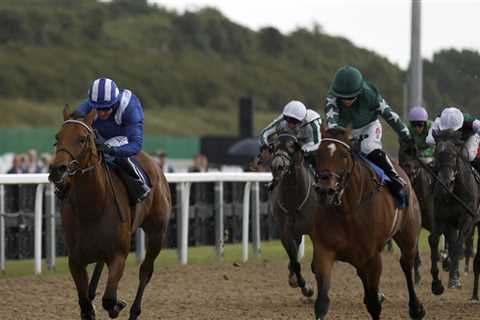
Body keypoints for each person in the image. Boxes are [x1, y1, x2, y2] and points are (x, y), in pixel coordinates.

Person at [325, 65, 413, 206]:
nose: (347, 101)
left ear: (359, 92)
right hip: (344, 131)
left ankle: (395, 179)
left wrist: (407, 137)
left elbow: (390, 116)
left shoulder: (370, 95)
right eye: (343, 98)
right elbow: (332, 124)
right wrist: (349, 139)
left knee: (368, 147)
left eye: (351, 97)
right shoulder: (332, 97)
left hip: (369, 127)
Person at [75, 77, 150, 203]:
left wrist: (112, 149)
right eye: (98, 109)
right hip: (98, 134)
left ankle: (138, 184)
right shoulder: (90, 104)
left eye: (106, 108)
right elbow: (73, 124)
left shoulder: (129, 108)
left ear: (115, 102)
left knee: (111, 155)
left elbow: (136, 145)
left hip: (122, 137)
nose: (102, 113)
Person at [259, 100, 321, 190]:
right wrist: (267, 147)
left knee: (315, 157)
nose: (290, 124)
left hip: (312, 143)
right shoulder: (282, 121)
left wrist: (303, 149)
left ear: (302, 120)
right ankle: (275, 180)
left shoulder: (313, 123)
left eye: (294, 122)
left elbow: (317, 143)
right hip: (294, 140)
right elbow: (264, 134)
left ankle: (320, 180)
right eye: (288, 120)